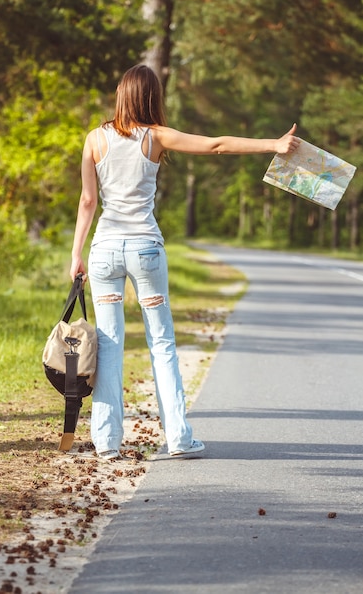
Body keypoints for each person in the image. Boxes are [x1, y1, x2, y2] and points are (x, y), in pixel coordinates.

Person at [70, 63, 300, 461]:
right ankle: (178, 439)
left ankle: (107, 443)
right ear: (152, 98)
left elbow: (88, 201)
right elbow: (216, 145)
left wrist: (76, 253)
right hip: (145, 250)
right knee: (162, 343)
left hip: (104, 251)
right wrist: (273, 145)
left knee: (108, 345)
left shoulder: (94, 139)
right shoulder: (156, 137)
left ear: (121, 95)